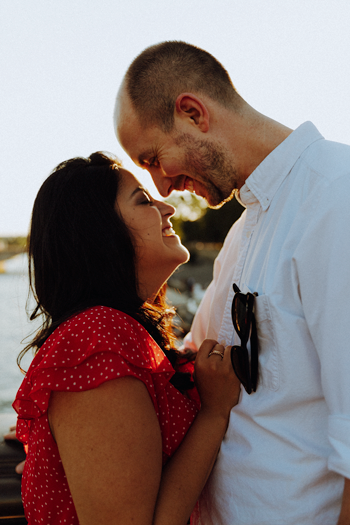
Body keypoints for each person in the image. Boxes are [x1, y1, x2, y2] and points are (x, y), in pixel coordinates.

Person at [114, 41, 350, 524]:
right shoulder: (244, 233)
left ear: (192, 112)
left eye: (155, 157)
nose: (162, 187)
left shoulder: (335, 196)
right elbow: (192, 368)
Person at [13, 151, 241, 525]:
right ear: (100, 232)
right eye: (143, 201)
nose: (167, 208)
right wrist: (214, 414)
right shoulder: (98, 339)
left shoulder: (113, 334)